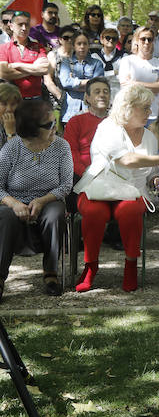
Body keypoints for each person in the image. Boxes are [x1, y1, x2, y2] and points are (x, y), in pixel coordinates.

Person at [72, 86, 159, 292]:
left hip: (132, 192)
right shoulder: (108, 127)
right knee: (95, 212)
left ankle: (131, 266)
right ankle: (90, 267)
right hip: (99, 189)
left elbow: (151, 171)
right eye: (146, 108)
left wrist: (156, 181)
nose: (150, 113)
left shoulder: (148, 136)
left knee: (129, 211)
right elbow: (127, 160)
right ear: (129, 108)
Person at [0, 100, 72, 297]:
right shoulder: (11, 149)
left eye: (54, 121)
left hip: (49, 200)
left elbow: (66, 185)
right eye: (49, 124)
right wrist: (14, 203)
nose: (55, 127)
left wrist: (41, 201)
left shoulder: (61, 147)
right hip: (15, 203)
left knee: (55, 213)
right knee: (4, 216)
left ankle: (51, 273)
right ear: (32, 129)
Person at [63, 77, 111, 182]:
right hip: (82, 174)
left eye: (105, 92)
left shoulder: (116, 121)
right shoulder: (76, 121)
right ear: (87, 97)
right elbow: (70, 152)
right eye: (97, 92)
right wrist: (86, 173)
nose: (102, 95)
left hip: (111, 173)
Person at [118, 26, 159, 119]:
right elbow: (125, 86)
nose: (146, 42)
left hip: (154, 115)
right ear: (136, 40)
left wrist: (135, 83)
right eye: (143, 39)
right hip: (131, 114)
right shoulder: (127, 61)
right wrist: (154, 86)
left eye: (150, 39)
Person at [0, 11, 49, 100]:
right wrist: (34, 68)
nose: (24, 28)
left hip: (36, 100)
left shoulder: (38, 47)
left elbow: (44, 69)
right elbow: (4, 74)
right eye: (20, 24)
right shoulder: (3, 48)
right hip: (13, 101)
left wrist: (18, 65)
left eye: (27, 24)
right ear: (11, 26)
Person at [59, 32, 105, 123]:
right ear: (73, 46)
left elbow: (97, 85)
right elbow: (65, 82)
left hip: (91, 110)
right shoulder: (66, 62)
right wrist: (88, 82)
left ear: (88, 45)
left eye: (85, 43)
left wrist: (74, 83)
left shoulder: (97, 63)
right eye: (79, 44)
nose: (82, 46)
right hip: (70, 111)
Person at [91, 28, 126, 98]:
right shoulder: (94, 57)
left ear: (117, 41)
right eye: (108, 38)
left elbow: (124, 77)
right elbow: (94, 77)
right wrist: (114, 73)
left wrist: (103, 74)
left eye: (114, 38)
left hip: (118, 94)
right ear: (101, 40)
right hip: (98, 94)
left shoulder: (124, 57)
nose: (111, 40)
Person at [0, 83, 20, 150]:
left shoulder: (22, 122)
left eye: (13, 104)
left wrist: (11, 132)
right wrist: (10, 133)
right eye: (4, 104)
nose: (9, 109)